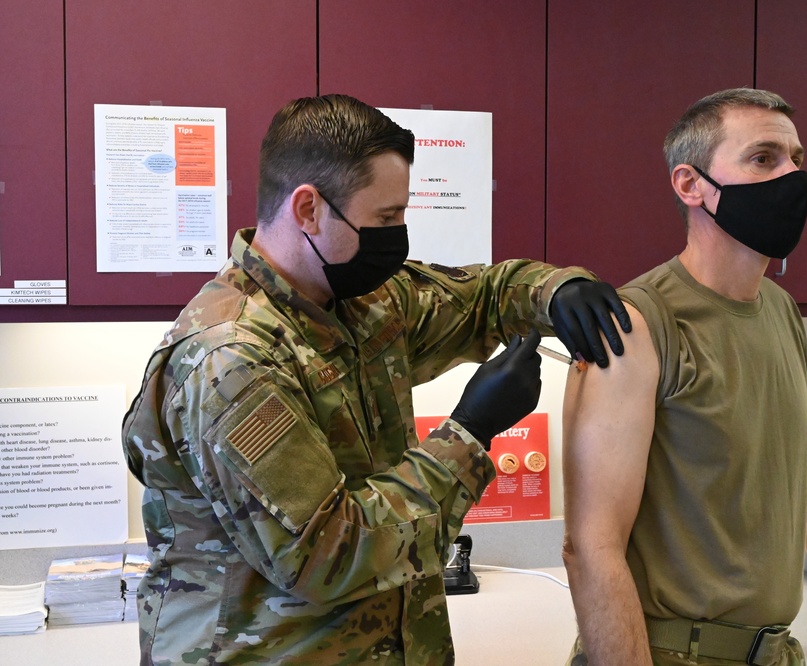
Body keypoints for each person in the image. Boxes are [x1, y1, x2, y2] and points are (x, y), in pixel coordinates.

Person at [122, 93, 630, 665]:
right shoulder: (232, 361)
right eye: (385, 218)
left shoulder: (360, 304)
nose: (398, 235)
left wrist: (556, 291)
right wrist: (469, 431)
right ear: (308, 209)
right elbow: (327, 555)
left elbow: (482, 296)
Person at [561, 88, 807, 666]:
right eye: (763, 158)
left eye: (795, 159)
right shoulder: (637, 325)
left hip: (776, 651)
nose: (792, 176)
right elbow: (591, 546)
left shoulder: (779, 309)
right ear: (690, 184)